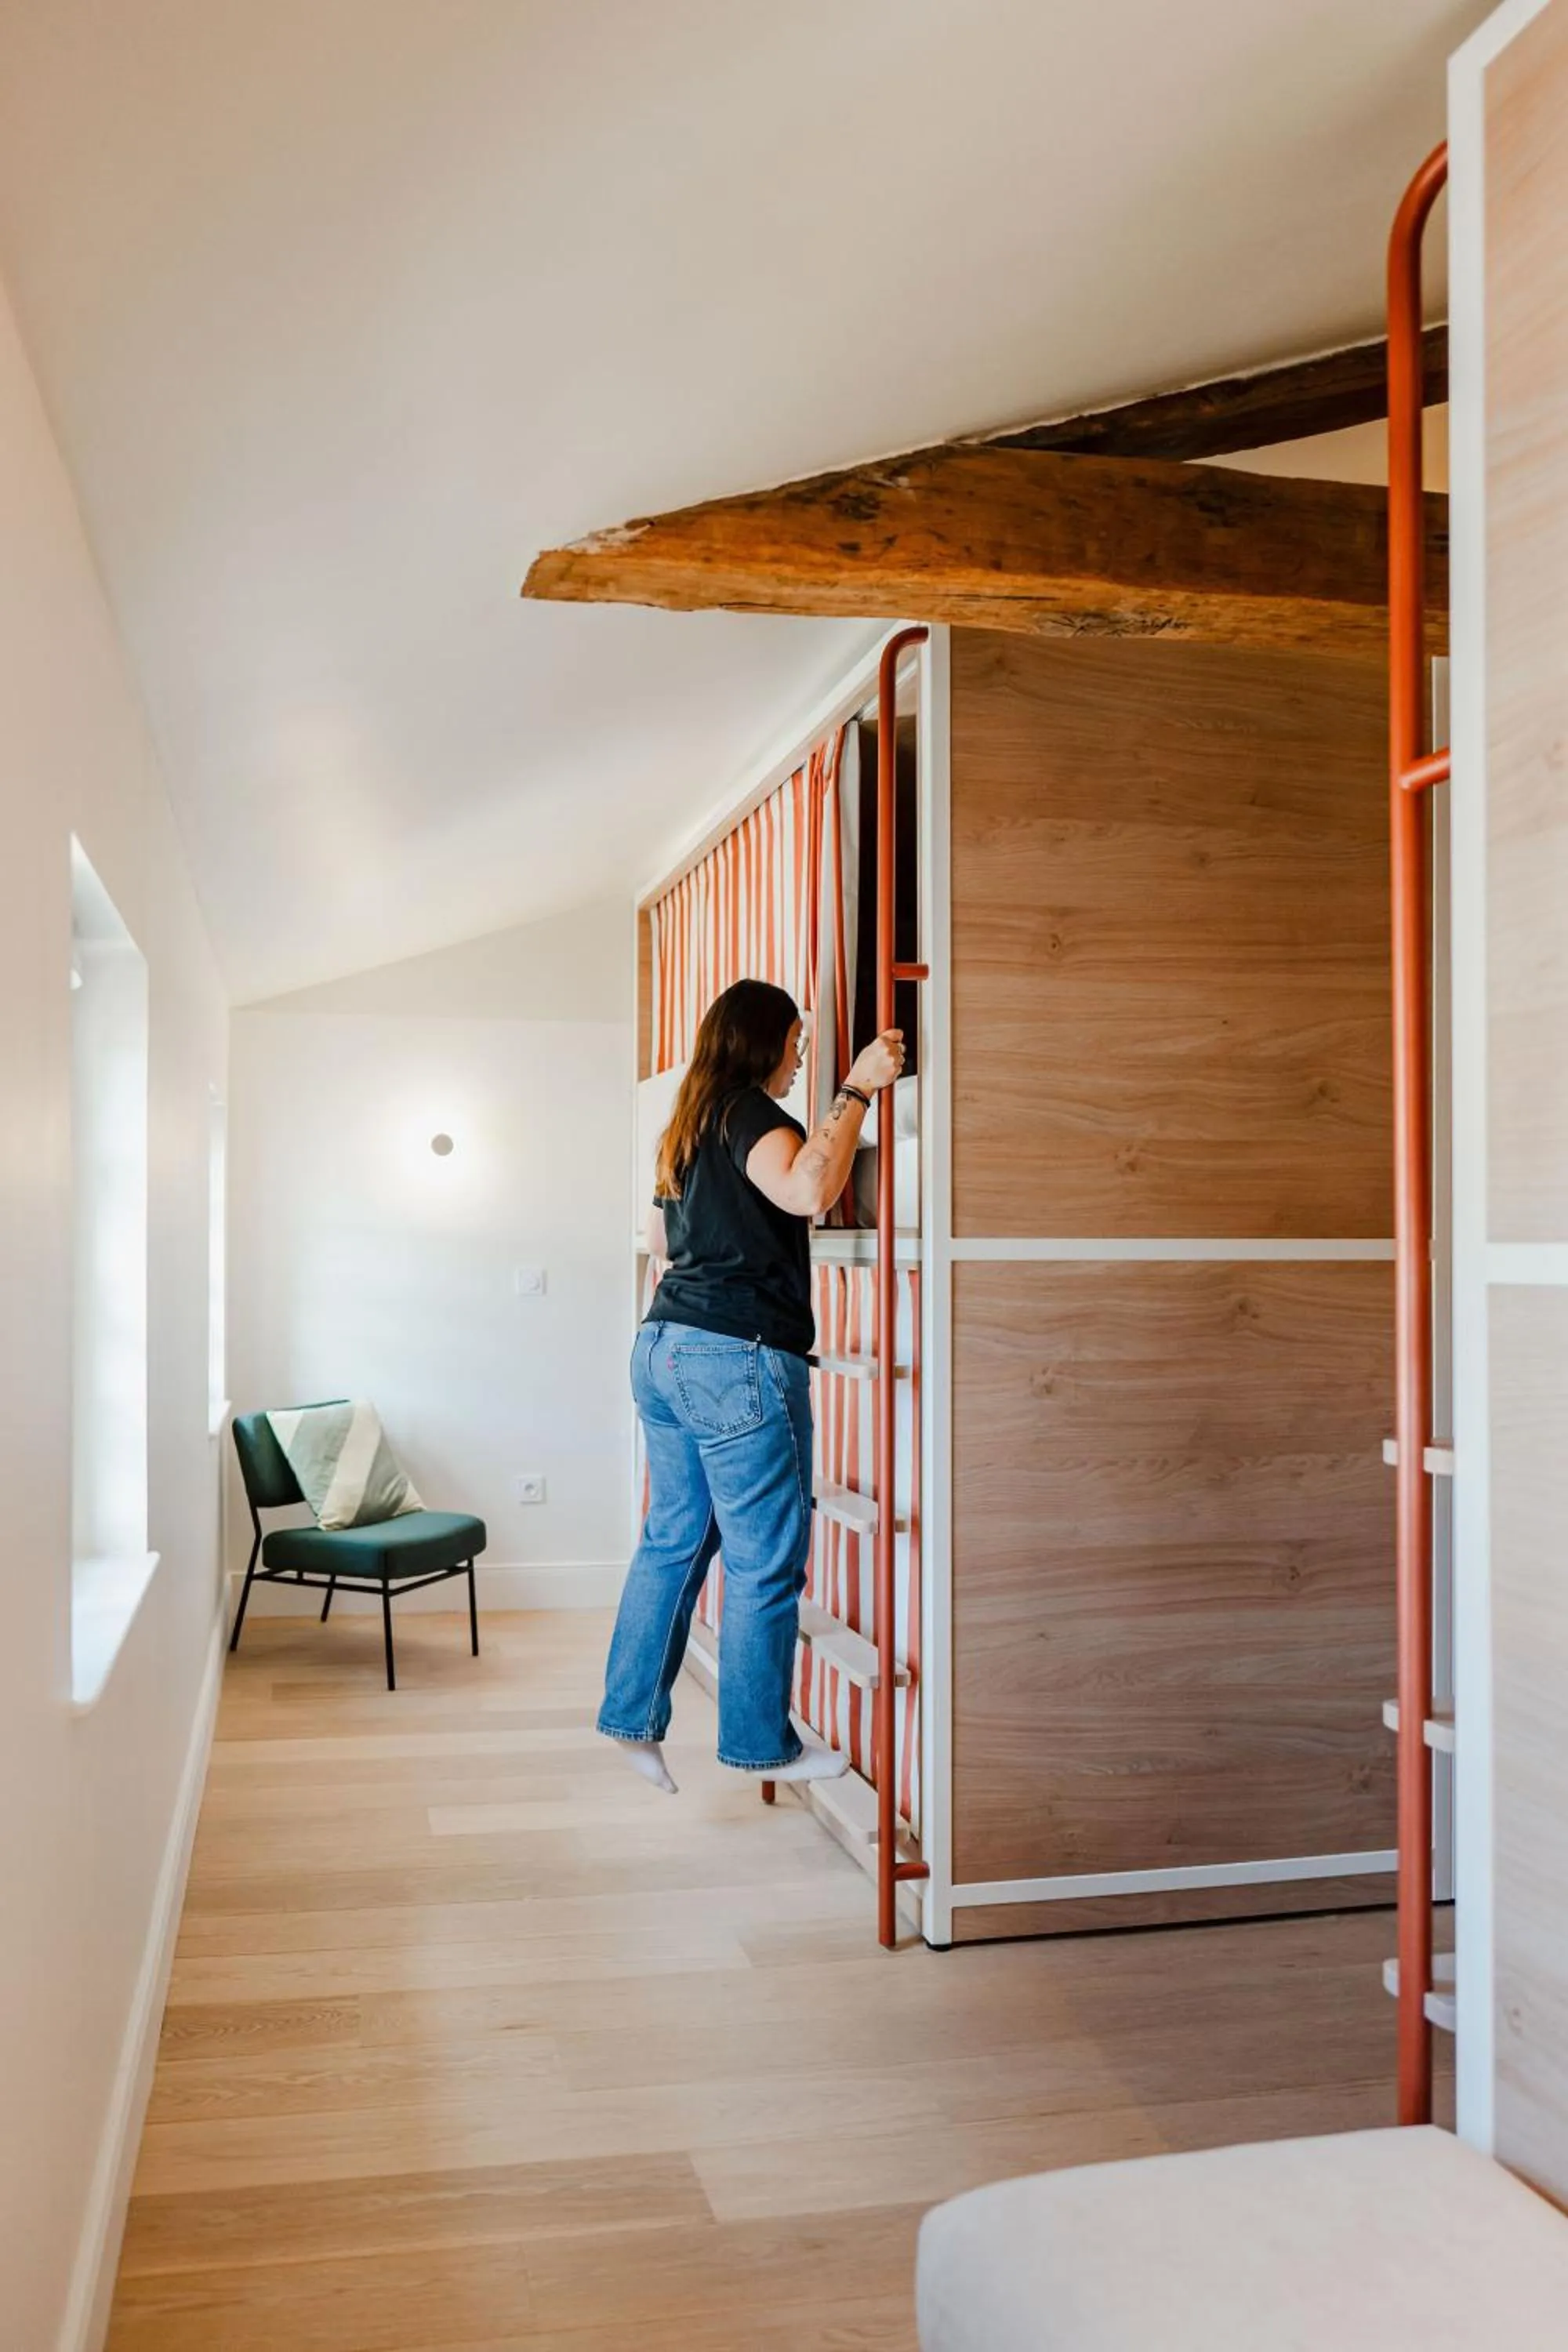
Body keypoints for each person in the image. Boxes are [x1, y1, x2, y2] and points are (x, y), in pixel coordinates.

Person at [597, 978, 905, 1793]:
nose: (801, 1060)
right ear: (762, 1041)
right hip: (735, 1354)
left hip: (662, 1344)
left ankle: (631, 1720)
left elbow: (661, 1239)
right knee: (764, 1561)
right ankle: (759, 1744)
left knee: (673, 1540)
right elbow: (807, 1189)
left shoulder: (686, 1125)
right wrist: (859, 1089)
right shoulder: (749, 1113)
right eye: (797, 1045)